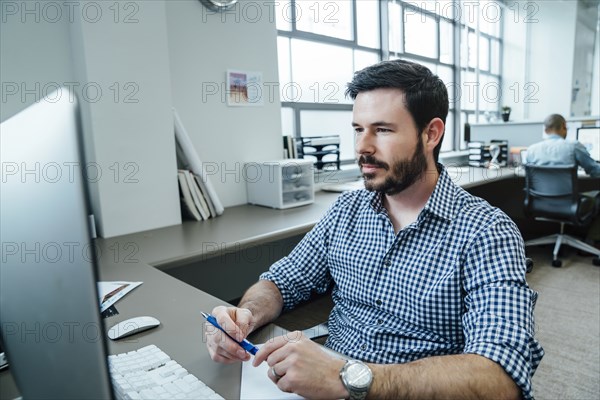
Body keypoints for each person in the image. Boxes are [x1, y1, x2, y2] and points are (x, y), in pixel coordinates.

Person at [205, 59, 544, 400]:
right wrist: (246, 314)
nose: (362, 147)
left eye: (382, 130)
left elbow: (502, 376)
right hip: (321, 382)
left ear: (431, 133)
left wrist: (348, 378)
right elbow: (283, 281)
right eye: (358, 129)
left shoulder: (487, 232)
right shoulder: (345, 211)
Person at [526, 114, 600, 248]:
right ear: (564, 127)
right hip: (569, 206)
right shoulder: (573, 146)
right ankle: (591, 241)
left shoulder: (531, 150)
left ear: (546, 129)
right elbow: (595, 171)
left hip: (539, 203)